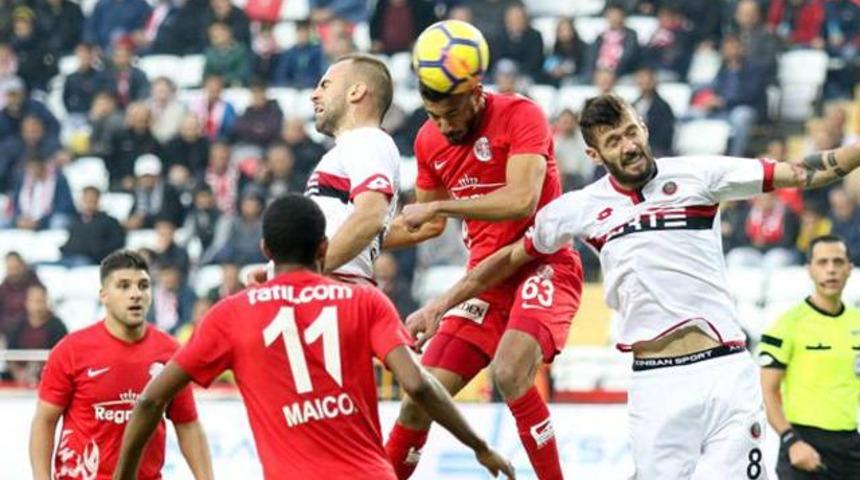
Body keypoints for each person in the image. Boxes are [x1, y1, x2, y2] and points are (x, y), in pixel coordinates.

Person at [407, 93, 860, 479]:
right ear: (593, 155)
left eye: (629, 132)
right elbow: (503, 263)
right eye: (612, 142)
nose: (628, 146)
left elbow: (802, 171)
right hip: (655, 385)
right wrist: (439, 306)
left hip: (726, 374)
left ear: (642, 125)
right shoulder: (577, 209)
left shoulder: (700, 174)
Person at [111, 194, 514, 480]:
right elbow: (418, 385)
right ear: (324, 246)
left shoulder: (232, 314)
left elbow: (150, 399)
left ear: (266, 248)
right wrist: (479, 446)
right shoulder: (364, 300)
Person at [383, 32, 584, 479]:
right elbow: (428, 224)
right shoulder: (428, 141)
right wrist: (362, 241)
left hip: (543, 263)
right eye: (435, 115)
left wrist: (442, 204)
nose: (446, 126)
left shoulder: (521, 113)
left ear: (476, 92)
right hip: (485, 280)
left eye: (452, 113)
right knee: (419, 399)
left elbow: (521, 201)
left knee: (511, 370)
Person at [29, 250, 213, 480]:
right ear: (104, 295)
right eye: (124, 286)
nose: (135, 294)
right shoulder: (71, 350)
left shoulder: (170, 352)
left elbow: (188, 425)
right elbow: (45, 421)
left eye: (143, 286)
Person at [758, 235, 860, 479]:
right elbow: (767, 391)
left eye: (838, 262)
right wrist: (791, 441)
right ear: (809, 270)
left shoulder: (856, 322)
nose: (831, 270)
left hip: (849, 449)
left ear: (849, 268)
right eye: (822, 263)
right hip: (803, 446)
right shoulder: (787, 324)